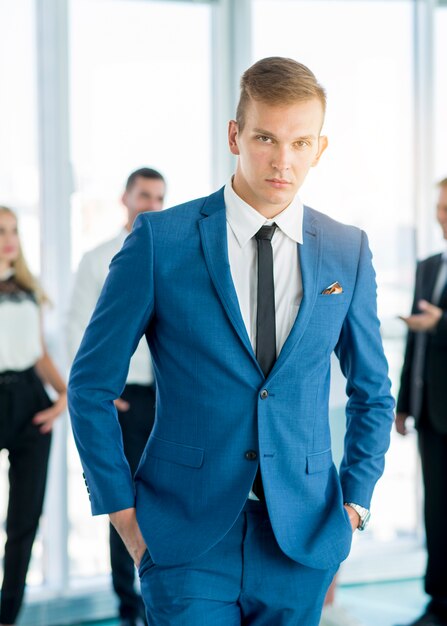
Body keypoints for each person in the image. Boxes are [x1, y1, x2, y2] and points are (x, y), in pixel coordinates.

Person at [68, 57, 394, 626]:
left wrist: (355, 507)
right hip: (184, 536)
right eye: (266, 137)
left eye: (300, 142)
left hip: (303, 537)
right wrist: (122, 514)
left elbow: (373, 392)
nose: (282, 160)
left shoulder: (349, 250)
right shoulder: (159, 241)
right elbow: (89, 387)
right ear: (235, 135)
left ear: (320, 148)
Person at [67, 168, 165, 626]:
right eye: (144, 195)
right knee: (120, 499)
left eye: (159, 198)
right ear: (125, 198)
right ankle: (128, 608)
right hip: (120, 400)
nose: (151, 205)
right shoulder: (96, 260)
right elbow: (77, 332)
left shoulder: (171, 257)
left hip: (166, 400)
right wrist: (105, 394)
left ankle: (159, 600)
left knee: (164, 497)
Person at [0, 206, 66, 626]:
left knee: (24, 520)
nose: (9, 238)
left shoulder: (28, 289)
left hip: (29, 399)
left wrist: (63, 395)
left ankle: (7, 615)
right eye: (0, 231)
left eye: (13, 230)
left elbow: (38, 352)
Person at [395, 178, 447, 626]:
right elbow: (416, 342)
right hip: (431, 412)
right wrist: (402, 402)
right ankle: (438, 600)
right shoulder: (428, 266)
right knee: (436, 509)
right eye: (441, 206)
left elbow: (434, 328)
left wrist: (441, 323)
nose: (442, 215)